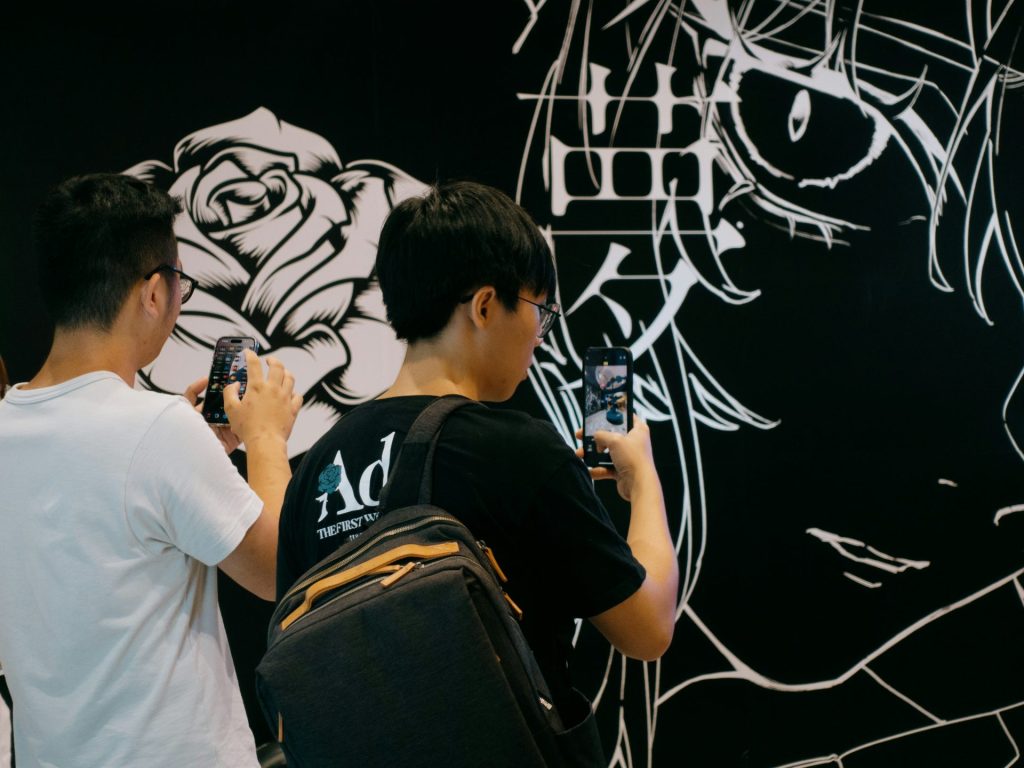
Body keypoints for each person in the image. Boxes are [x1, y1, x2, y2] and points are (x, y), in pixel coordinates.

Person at [276, 180, 679, 735]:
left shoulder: (316, 469)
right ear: (487, 306)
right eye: (540, 309)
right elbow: (648, 628)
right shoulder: (521, 453)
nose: (540, 334)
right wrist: (646, 481)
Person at [0, 173, 302, 767]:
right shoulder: (157, 427)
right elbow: (278, 570)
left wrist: (202, 454)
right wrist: (265, 438)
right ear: (154, 293)